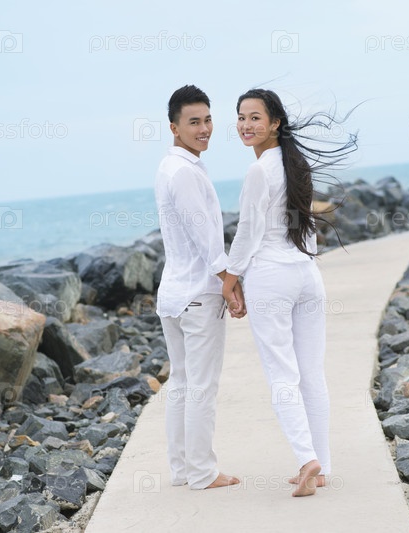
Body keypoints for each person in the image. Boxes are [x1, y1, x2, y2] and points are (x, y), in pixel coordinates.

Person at [222, 88, 355, 497]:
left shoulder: (259, 171)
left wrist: (230, 278)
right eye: (241, 117)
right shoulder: (296, 164)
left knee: (282, 373)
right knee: (311, 373)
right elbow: (306, 225)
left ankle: (306, 459)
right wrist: (305, 262)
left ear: (275, 123)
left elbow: (248, 231)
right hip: (306, 275)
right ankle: (322, 466)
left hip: (271, 278)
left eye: (255, 117)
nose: (246, 125)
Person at [155, 85, 244, 490]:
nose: (204, 128)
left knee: (182, 383)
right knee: (201, 387)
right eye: (194, 122)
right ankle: (203, 473)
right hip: (196, 294)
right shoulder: (186, 172)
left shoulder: (169, 167)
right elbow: (206, 237)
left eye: (207, 120)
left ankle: (182, 470)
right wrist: (229, 282)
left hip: (174, 294)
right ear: (174, 127)